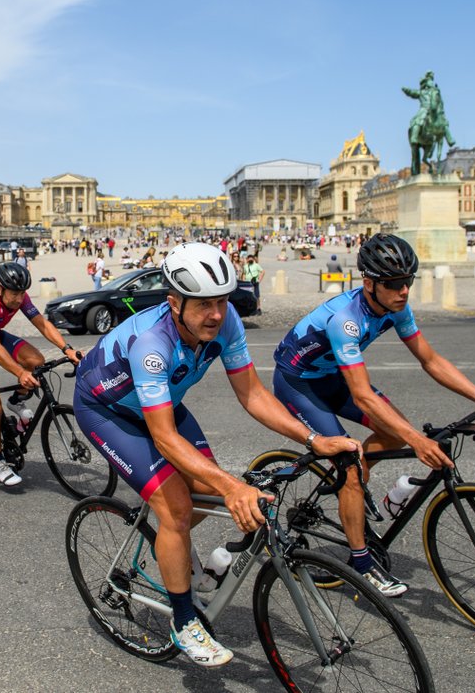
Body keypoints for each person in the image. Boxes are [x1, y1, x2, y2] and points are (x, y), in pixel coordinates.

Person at [74, 243, 358, 667]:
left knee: (199, 497)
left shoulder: (227, 325)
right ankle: (184, 622)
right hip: (106, 410)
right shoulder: (152, 343)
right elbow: (166, 440)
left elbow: (254, 394)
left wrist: (313, 439)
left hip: (160, 404)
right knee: (177, 509)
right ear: (174, 302)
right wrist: (230, 486)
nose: (216, 314)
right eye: (204, 303)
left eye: (222, 301)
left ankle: (171, 548)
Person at [272, 233, 475, 597]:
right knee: (352, 462)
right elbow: (363, 396)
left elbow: (430, 360)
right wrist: (417, 440)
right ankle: (360, 562)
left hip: (334, 377)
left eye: (408, 281)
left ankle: (353, 490)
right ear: (369, 283)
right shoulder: (346, 320)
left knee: (392, 434)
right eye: (393, 284)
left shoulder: (397, 307)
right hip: (299, 383)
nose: (403, 291)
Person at [0, 262, 82, 486]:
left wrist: (66, 349)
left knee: (36, 360)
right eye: (14, 294)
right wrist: (20, 373)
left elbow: (43, 324)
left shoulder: (19, 297)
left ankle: (17, 401)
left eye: (22, 294)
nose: (19, 300)